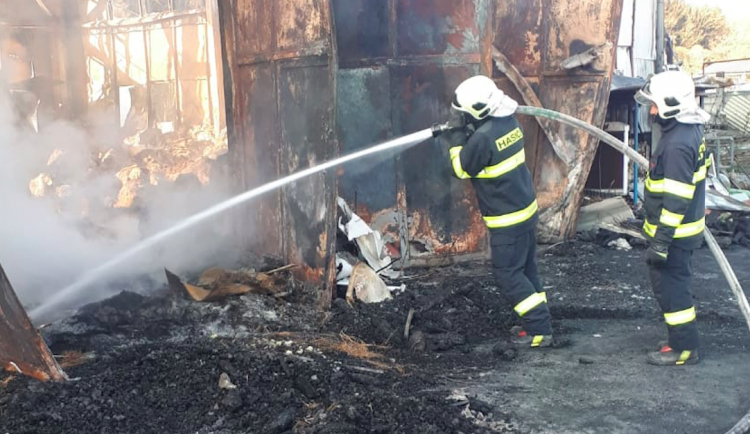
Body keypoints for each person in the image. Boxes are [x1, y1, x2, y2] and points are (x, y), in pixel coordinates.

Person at [438, 75, 553, 348]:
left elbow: (461, 168)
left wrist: (455, 137)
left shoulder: (482, 138)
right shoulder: (508, 122)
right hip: (525, 212)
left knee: (508, 274)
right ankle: (538, 322)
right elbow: (487, 147)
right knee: (526, 269)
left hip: (507, 221)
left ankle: (539, 330)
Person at [635, 70, 711, 366]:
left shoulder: (678, 144)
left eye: (655, 105)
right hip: (681, 232)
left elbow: (677, 200)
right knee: (673, 286)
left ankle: (684, 349)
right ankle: (679, 340)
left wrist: (661, 242)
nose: (652, 112)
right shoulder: (686, 131)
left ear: (672, 105)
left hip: (675, 236)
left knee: (672, 289)